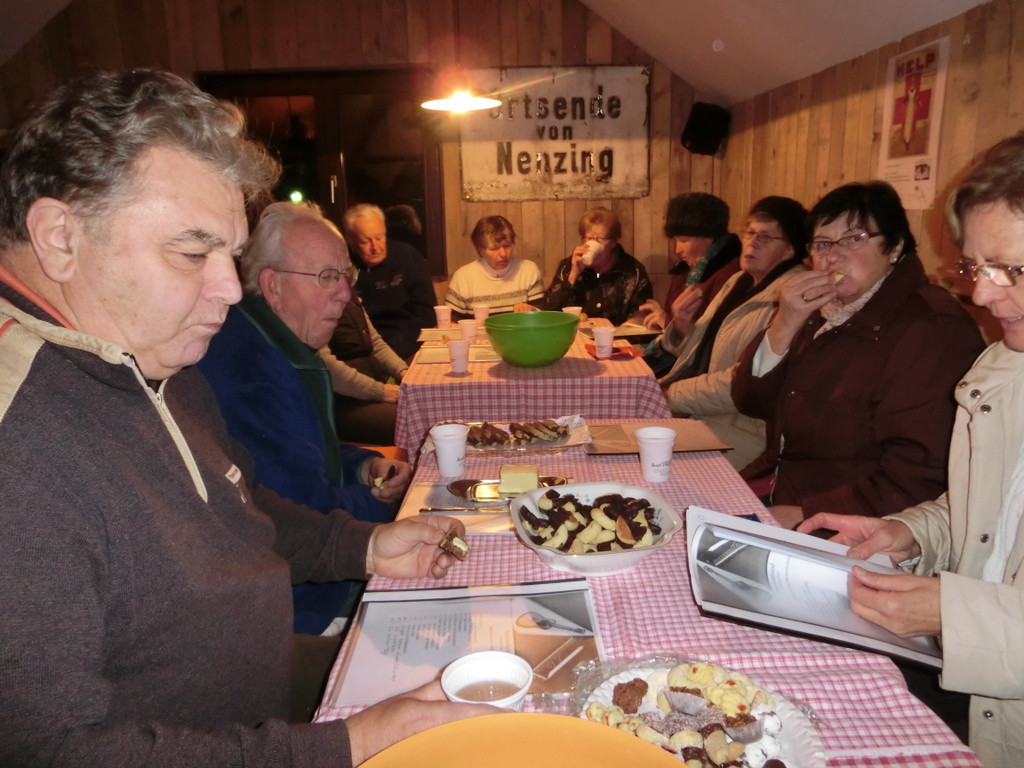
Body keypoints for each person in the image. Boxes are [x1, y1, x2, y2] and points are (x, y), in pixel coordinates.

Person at [0, 68, 488, 768]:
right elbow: (50, 751)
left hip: (266, 697)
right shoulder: (17, 439)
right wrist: (344, 746)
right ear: (58, 237)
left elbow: (236, 505)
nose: (230, 290)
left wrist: (364, 548)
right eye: (192, 252)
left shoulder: (151, 359)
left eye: (229, 256)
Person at [797, 134, 1024, 768]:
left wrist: (949, 612)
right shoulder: (1008, 368)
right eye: (976, 268)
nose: (983, 296)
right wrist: (908, 532)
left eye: (1014, 270)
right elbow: (992, 518)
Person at [199, 201, 411, 634]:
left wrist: (363, 466)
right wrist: (394, 506)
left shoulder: (278, 344)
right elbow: (301, 515)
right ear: (273, 285)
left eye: (346, 276)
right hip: (305, 605)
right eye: (327, 277)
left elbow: (307, 452)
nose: (346, 294)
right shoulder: (247, 369)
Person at [731, 181, 985, 529]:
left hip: (853, 524)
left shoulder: (932, 329)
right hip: (783, 485)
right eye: (823, 244)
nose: (833, 257)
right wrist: (784, 323)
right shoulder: (824, 309)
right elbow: (750, 401)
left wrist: (806, 513)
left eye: (854, 239)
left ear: (894, 247)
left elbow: (923, 474)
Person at [656, 196, 808, 470]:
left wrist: (672, 395)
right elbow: (708, 351)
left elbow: (745, 381)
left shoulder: (793, 298)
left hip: (744, 430)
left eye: (766, 237)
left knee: (651, 464)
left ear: (789, 250)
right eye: (749, 232)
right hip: (703, 413)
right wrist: (682, 327)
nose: (752, 242)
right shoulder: (739, 281)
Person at [344, 203, 436, 360]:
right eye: (365, 241)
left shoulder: (408, 256)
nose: (375, 247)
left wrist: (394, 350)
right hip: (361, 351)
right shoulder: (342, 265)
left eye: (379, 238)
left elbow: (426, 312)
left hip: (407, 344)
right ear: (351, 240)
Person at [640, 192, 742, 334]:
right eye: (675, 241)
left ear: (708, 237)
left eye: (683, 241)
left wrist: (668, 322)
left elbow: (716, 336)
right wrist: (660, 318)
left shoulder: (730, 277)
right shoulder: (685, 272)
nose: (677, 250)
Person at [535, 206, 653, 325]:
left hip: (618, 334)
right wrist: (573, 276)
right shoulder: (568, 267)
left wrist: (619, 332)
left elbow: (642, 314)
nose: (593, 244)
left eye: (600, 239)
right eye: (590, 238)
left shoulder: (632, 270)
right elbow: (548, 312)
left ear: (613, 242)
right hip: (574, 334)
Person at [327, 295, 408, 446]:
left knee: (423, 407)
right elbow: (327, 367)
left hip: (372, 389)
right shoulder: (312, 303)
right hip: (343, 401)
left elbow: (376, 344)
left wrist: (404, 372)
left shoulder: (350, 297)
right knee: (410, 420)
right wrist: (380, 391)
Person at [444, 215, 544, 316]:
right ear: (480, 251)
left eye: (507, 246)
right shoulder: (462, 278)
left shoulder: (528, 271)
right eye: (494, 249)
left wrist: (531, 310)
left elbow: (542, 316)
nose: (503, 254)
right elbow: (451, 321)